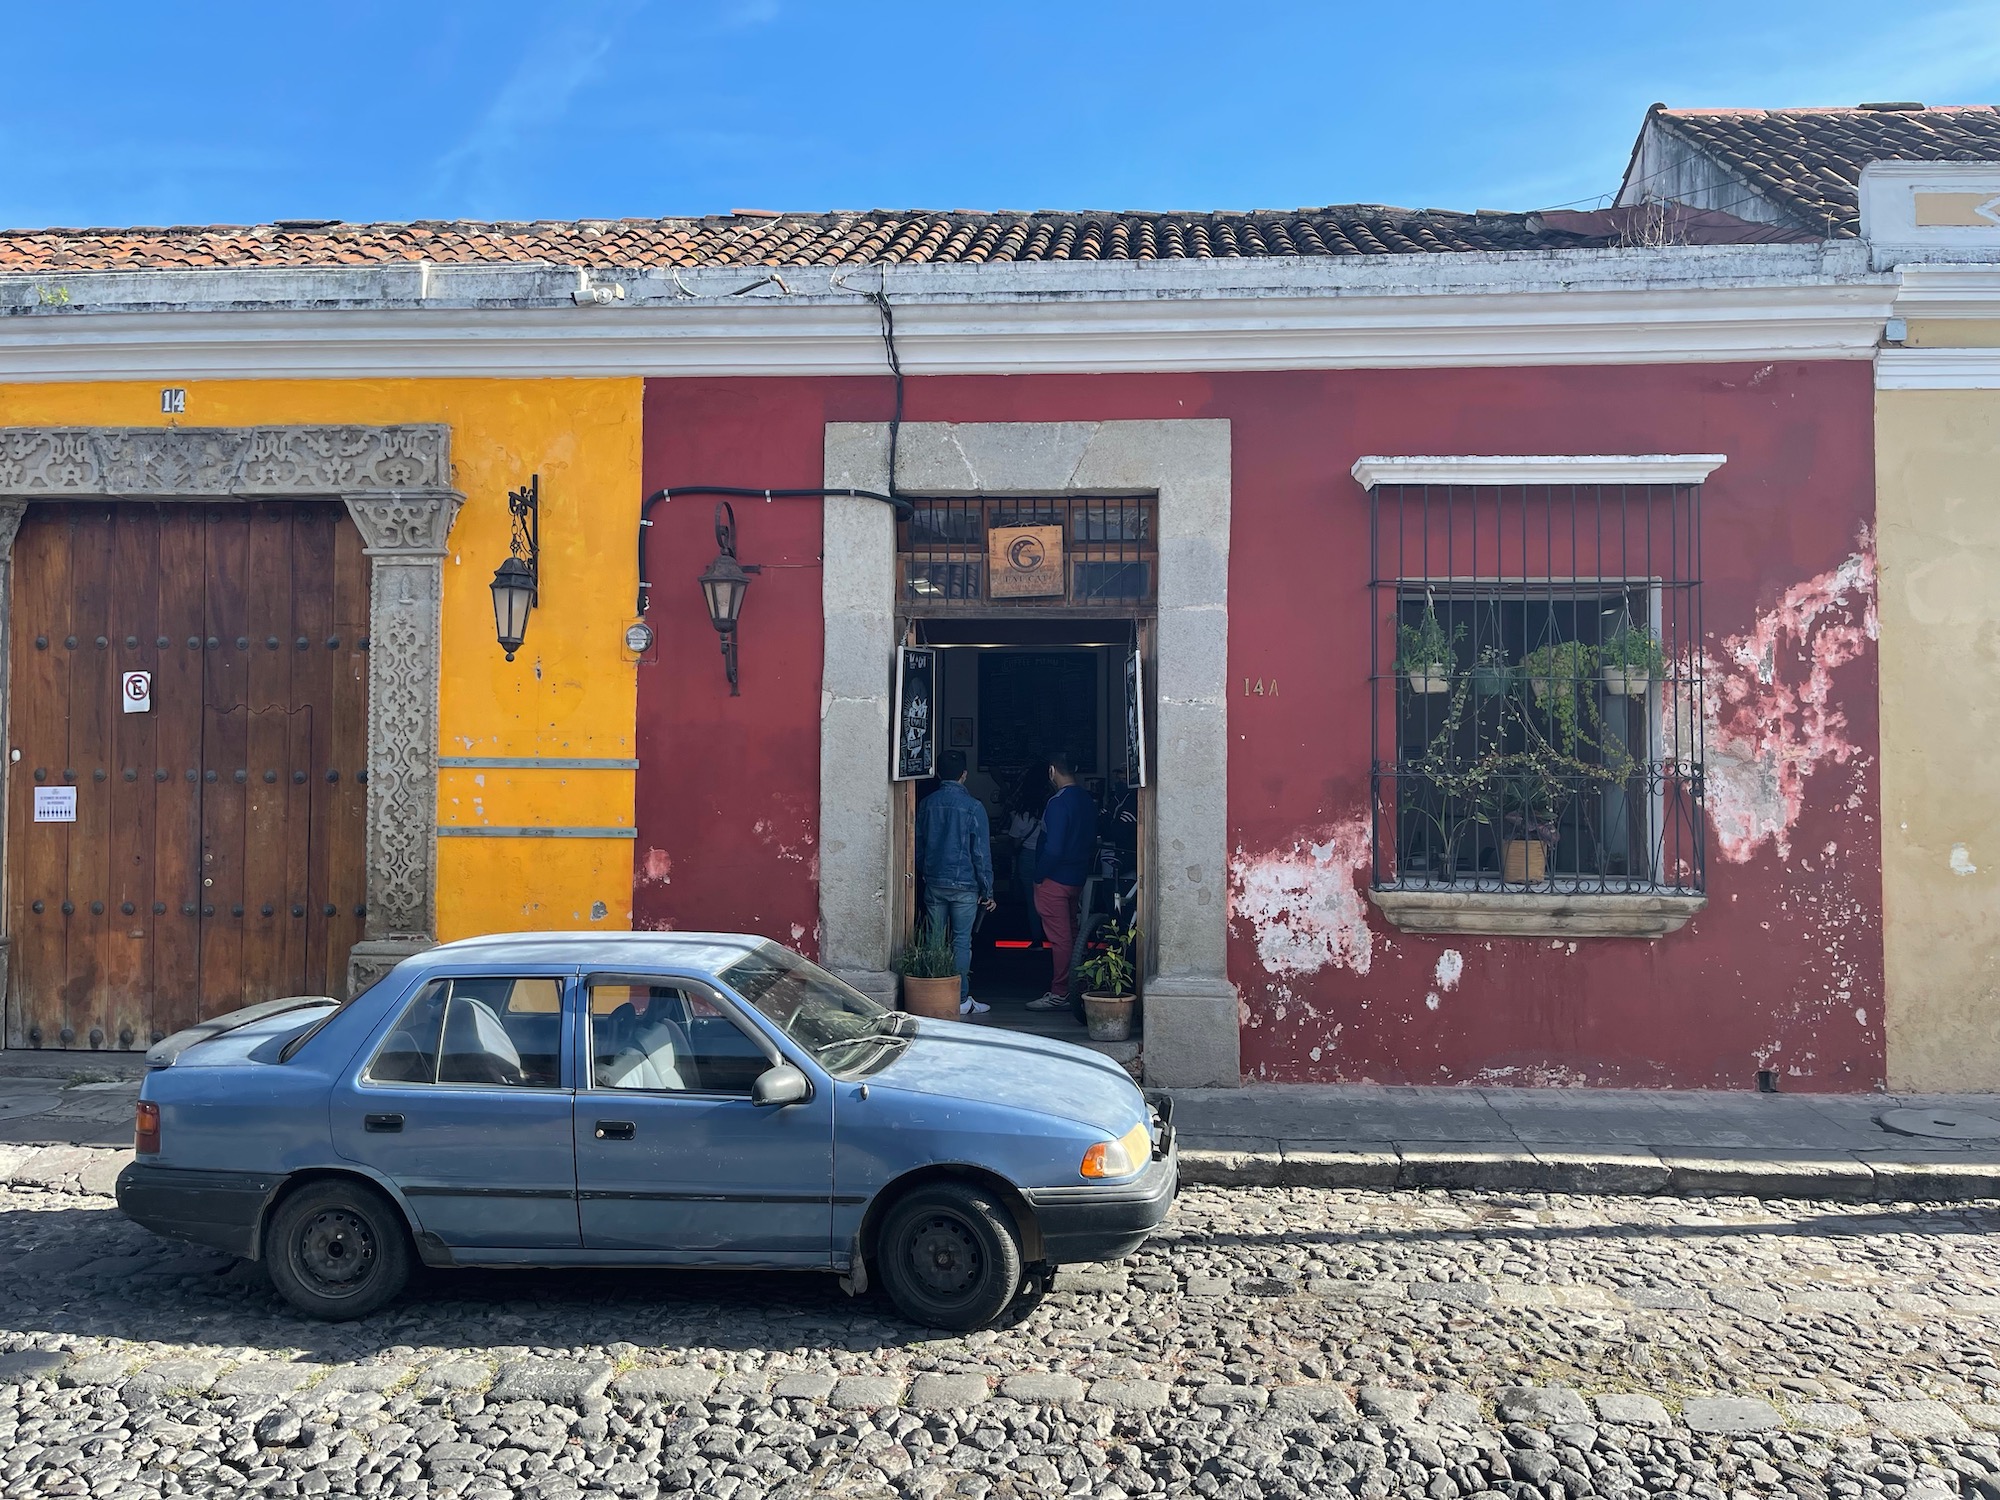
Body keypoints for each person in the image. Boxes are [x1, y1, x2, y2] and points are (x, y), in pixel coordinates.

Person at [914, 749, 995, 1016]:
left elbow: (917, 845)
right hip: (965, 885)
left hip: (934, 881)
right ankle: (960, 999)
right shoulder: (974, 807)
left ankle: (931, 997)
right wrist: (988, 889)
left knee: (934, 939)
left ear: (937, 773)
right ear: (964, 775)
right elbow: (981, 853)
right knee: (961, 942)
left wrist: (922, 871)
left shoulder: (926, 804)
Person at [1028, 749, 1097, 1011]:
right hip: (1077, 876)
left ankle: (1061, 991)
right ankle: (1076, 987)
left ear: (1052, 771)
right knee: (1073, 934)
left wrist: (1038, 875)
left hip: (1054, 878)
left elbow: (1053, 848)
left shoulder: (1058, 803)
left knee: (1061, 938)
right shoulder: (1086, 800)